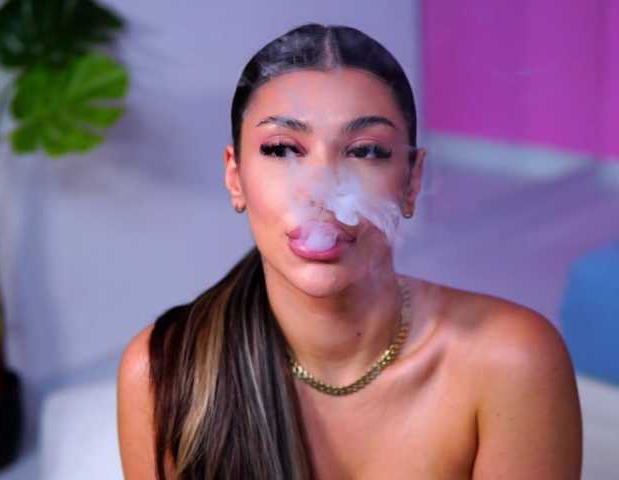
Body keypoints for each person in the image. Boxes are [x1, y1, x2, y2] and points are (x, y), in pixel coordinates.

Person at [117, 23, 582, 479]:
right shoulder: (162, 373)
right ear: (235, 177)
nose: (321, 190)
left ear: (412, 181)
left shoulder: (512, 361)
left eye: (365, 152)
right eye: (282, 149)